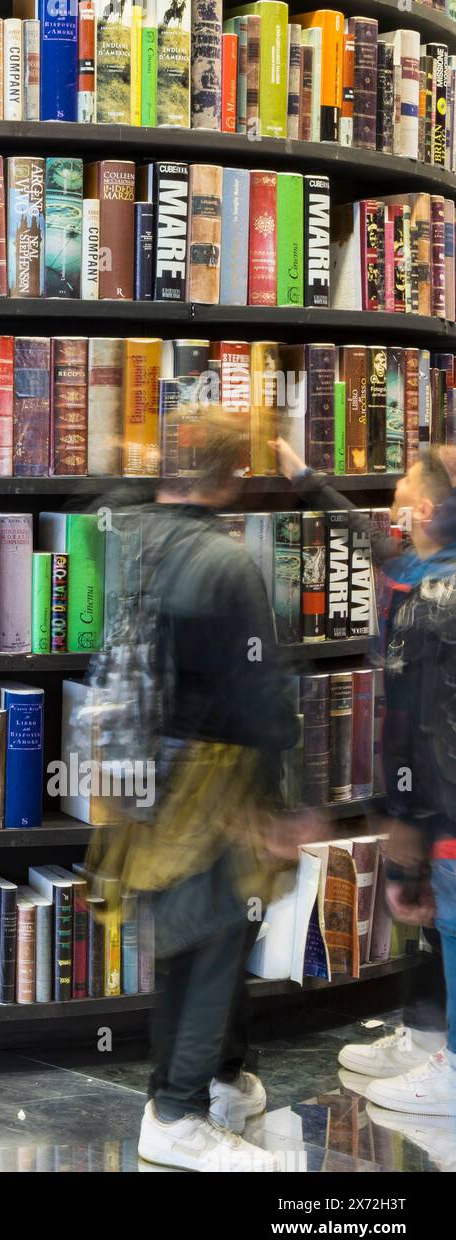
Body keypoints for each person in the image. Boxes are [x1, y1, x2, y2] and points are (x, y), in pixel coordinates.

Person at [89, 408, 311, 1172]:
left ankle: (214, 1083)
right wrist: (290, 802)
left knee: (182, 940)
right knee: (215, 938)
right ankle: (179, 1113)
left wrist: (125, 463)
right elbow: (263, 698)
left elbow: (107, 502)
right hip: (213, 781)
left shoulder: (129, 535)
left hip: (135, 776)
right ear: (232, 477)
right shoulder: (228, 565)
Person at [273, 439, 453, 1078]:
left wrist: (408, 813)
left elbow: (421, 721)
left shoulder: (437, 595)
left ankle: (447, 1061)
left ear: (424, 509)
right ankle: (428, 1032)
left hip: (436, 795)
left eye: (403, 483)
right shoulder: (415, 567)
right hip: (425, 790)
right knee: (434, 923)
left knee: (443, 915)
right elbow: (368, 541)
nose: (393, 493)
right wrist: (305, 479)